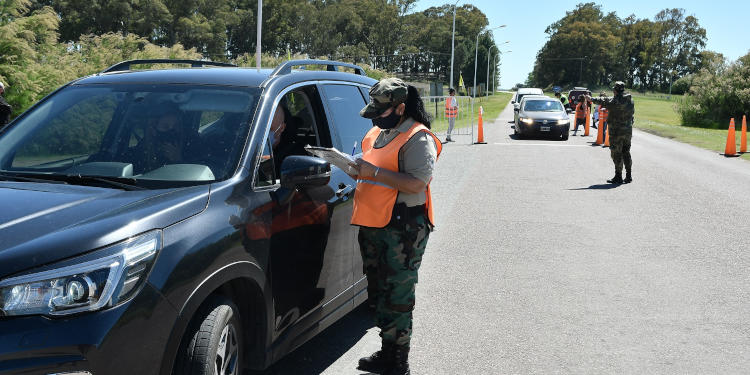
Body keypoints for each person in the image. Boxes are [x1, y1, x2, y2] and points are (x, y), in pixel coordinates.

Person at [350, 77, 442, 375]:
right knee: (378, 290)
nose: (375, 116)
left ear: (401, 108)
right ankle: (387, 350)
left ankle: (397, 360)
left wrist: (374, 172)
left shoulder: (418, 137)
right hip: (376, 222)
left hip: (404, 227)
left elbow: (417, 182)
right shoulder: (379, 132)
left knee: (397, 294)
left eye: (381, 110)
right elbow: (373, 165)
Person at [587, 81, 635, 183]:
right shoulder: (630, 101)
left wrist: (590, 98)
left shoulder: (614, 101)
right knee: (626, 152)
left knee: (616, 153)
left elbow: (603, 100)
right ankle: (629, 175)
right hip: (628, 131)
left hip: (617, 132)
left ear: (615, 90)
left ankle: (618, 176)